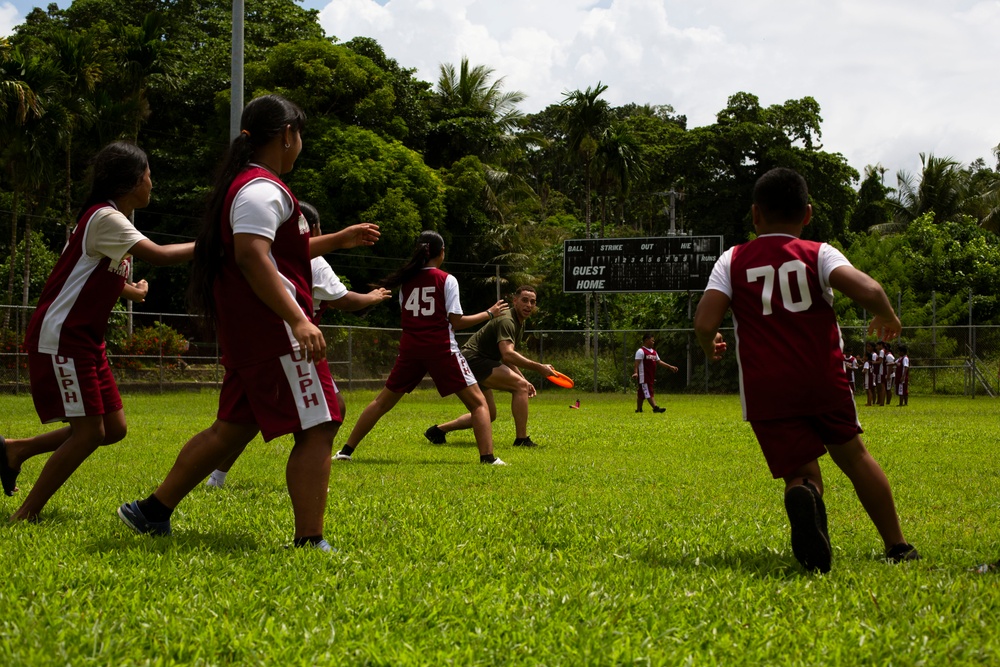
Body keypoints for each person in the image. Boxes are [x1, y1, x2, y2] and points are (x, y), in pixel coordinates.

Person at [116, 94, 379, 550]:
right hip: (275, 332)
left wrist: (338, 240)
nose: (301, 145)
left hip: (253, 334)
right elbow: (252, 256)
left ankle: (151, 511)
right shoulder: (262, 188)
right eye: (301, 136)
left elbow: (273, 251)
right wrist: (298, 319)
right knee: (320, 424)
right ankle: (309, 540)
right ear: (287, 136)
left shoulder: (245, 187)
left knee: (232, 428)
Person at [693, 167, 919, 573]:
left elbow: (705, 322)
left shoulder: (733, 258)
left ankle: (805, 495)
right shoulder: (819, 252)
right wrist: (886, 314)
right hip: (822, 378)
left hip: (767, 387)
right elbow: (868, 289)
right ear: (808, 214)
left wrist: (711, 344)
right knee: (853, 456)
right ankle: (898, 545)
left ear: (755, 215)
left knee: (800, 470)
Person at [0, 141, 194, 521]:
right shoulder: (107, 218)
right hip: (64, 337)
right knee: (89, 433)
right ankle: (25, 514)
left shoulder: (102, 218)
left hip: (86, 341)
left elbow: (87, 271)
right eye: (149, 174)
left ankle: (16, 450)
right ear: (132, 180)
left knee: (113, 428)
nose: (152, 183)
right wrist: (219, 243)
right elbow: (160, 255)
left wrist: (131, 290)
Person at [204, 201, 392, 489]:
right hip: (290, 345)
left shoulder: (264, 254)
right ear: (310, 229)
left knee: (244, 420)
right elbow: (344, 299)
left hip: (252, 341)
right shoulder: (311, 260)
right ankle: (312, 480)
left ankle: (169, 500)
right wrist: (375, 297)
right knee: (322, 418)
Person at [332, 230, 509, 465]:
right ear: (441, 252)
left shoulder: (406, 282)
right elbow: (456, 322)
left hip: (411, 349)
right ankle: (488, 458)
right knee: (478, 404)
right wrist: (489, 313)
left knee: (381, 402)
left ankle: (345, 451)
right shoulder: (447, 279)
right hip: (441, 349)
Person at [424, 285, 555, 449]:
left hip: (479, 362)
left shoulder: (519, 323)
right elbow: (507, 354)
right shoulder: (508, 320)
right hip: (473, 360)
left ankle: (437, 431)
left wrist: (523, 378)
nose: (529, 305)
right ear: (515, 301)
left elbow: (507, 358)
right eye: (525, 300)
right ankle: (521, 440)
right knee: (519, 387)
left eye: (533, 302)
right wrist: (539, 368)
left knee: (489, 414)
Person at [632, 333, 679, 413]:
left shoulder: (654, 352)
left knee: (641, 393)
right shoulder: (641, 351)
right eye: (652, 340)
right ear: (646, 340)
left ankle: (638, 409)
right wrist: (635, 372)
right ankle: (655, 408)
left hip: (650, 376)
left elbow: (659, 361)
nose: (653, 342)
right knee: (648, 391)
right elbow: (637, 363)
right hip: (644, 376)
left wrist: (670, 367)